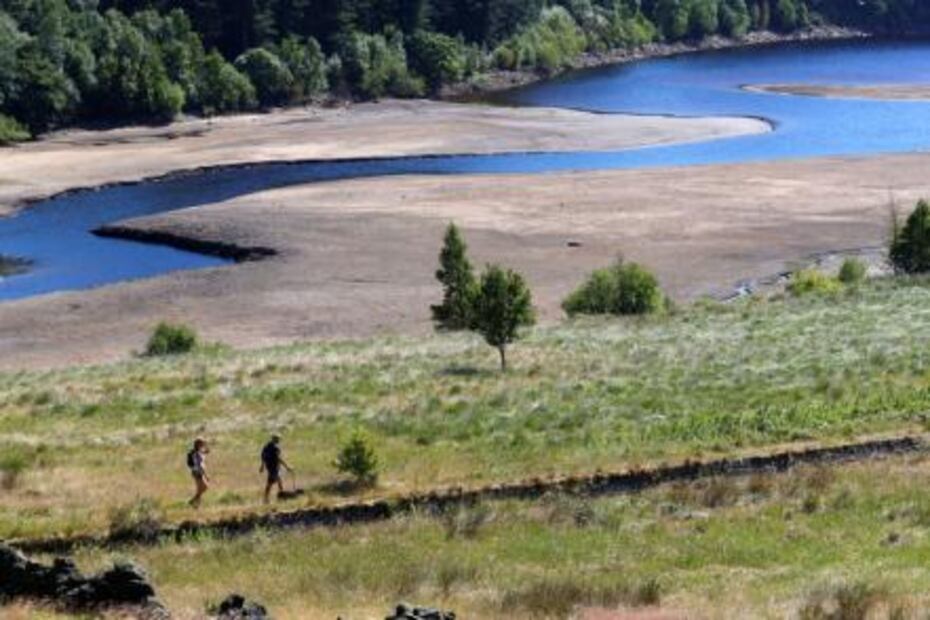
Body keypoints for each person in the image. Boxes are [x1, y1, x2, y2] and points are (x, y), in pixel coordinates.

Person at [260, 434, 292, 503]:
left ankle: (267, 498)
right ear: (275, 439)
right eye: (278, 439)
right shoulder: (276, 448)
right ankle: (280, 497)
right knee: (273, 482)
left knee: (275, 481)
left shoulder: (266, 446)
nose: (278, 441)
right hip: (274, 467)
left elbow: (263, 456)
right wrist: (287, 466)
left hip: (269, 467)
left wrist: (262, 466)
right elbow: (279, 459)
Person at [187, 438, 210, 508]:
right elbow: (199, 464)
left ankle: (196, 505)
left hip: (197, 471)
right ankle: (193, 500)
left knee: (200, 488)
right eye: (202, 443)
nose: (203, 445)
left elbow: (207, 451)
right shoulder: (196, 453)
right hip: (198, 471)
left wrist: (206, 447)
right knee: (205, 487)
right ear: (198, 444)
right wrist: (205, 474)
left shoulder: (198, 451)